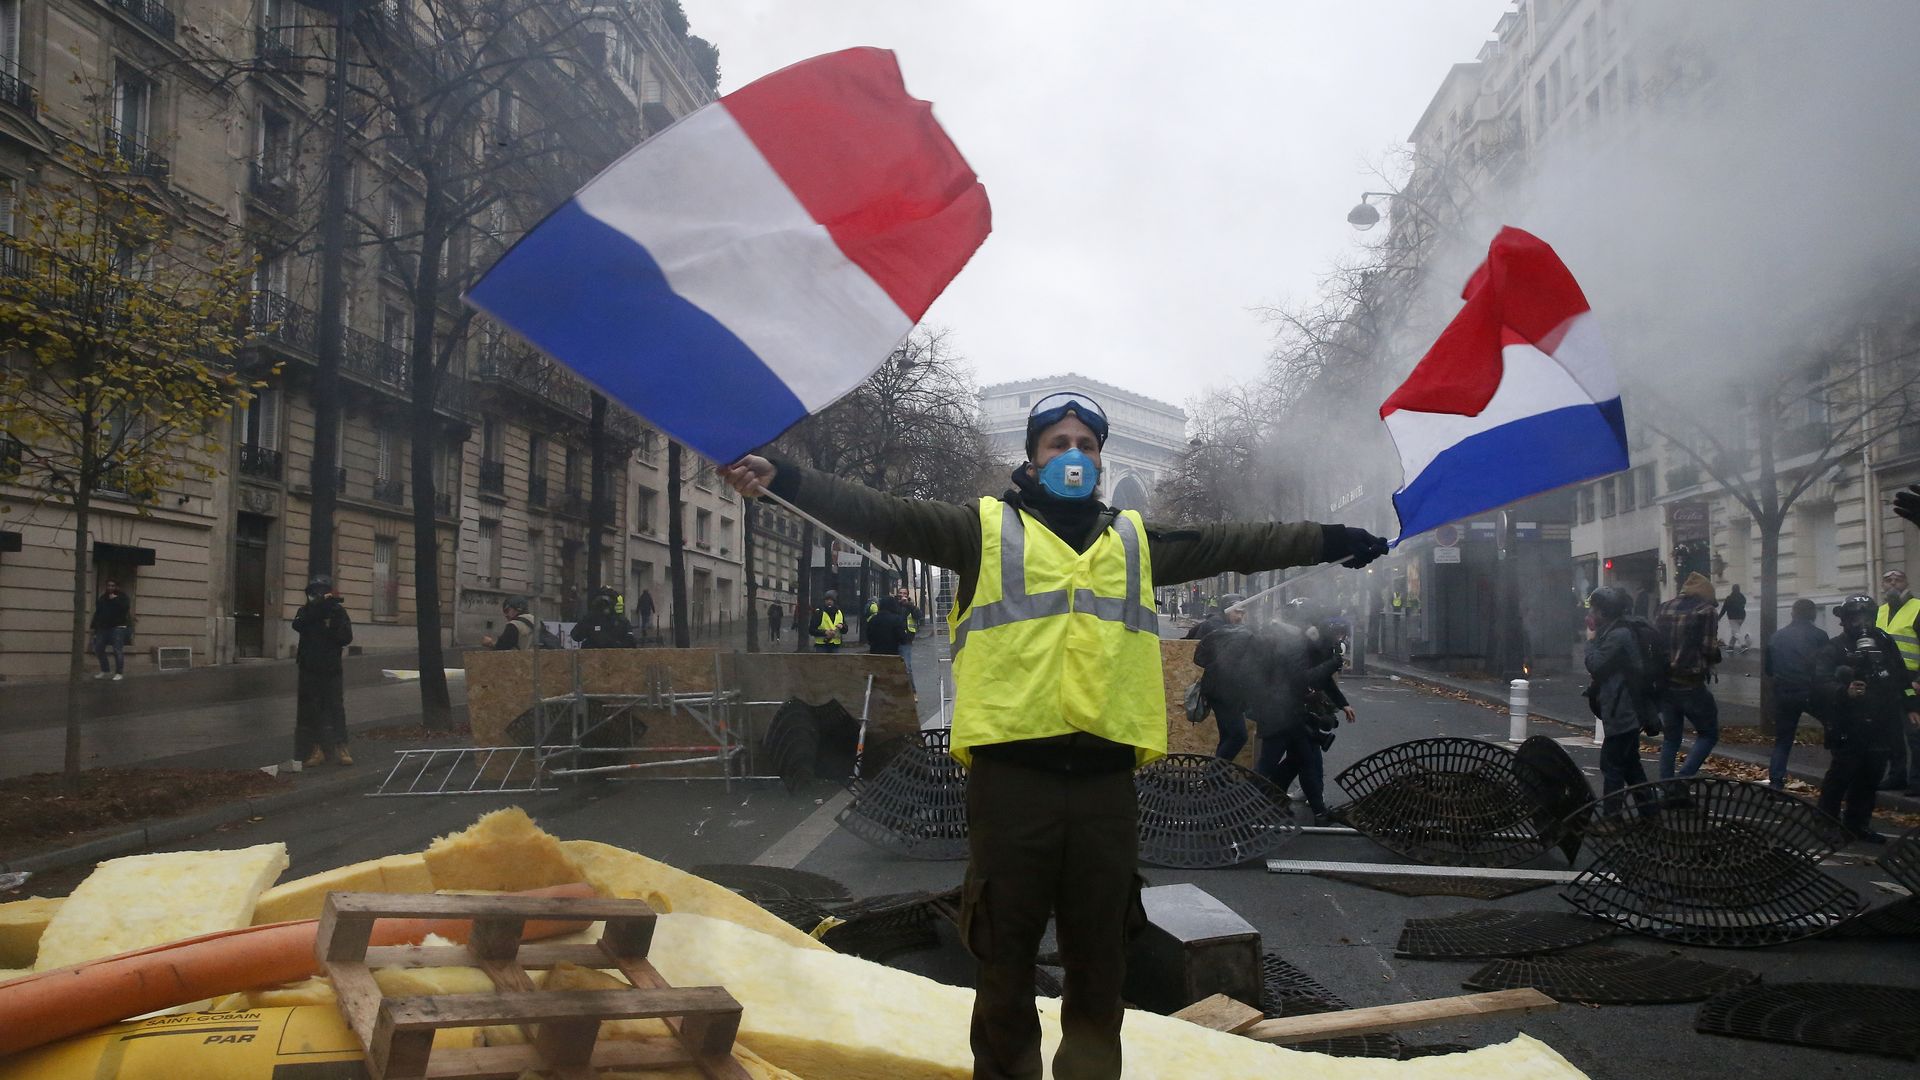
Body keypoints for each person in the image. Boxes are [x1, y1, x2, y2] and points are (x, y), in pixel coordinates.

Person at [718, 389, 1388, 1080]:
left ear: (1102, 460)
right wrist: (785, 478)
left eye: (1087, 446)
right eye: (1057, 444)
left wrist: (1335, 540)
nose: (1073, 456)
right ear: (1033, 460)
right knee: (1002, 957)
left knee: (1102, 960)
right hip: (1013, 784)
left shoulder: (1135, 541)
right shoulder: (978, 532)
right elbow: (882, 515)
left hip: (1105, 786)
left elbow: (1239, 543)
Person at [1813, 594, 1918, 843]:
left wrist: (1912, 705)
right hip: (1848, 723)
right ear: (1845, 620)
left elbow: (1901, 676)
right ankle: (1825, 823)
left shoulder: (1884, 641)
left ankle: (1857, 823)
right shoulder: (1834, 648)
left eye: (1867, 616)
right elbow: (1819, 683)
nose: (1862, 622)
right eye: (1856, 617)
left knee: (1871, 774)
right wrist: (1844, 691)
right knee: (1842, 774)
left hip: (1883, 721)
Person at [1257, 601, 1351, 825]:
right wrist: (1332, 664)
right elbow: (1302, 678)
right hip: (1279, 712)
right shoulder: (1291, 643)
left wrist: (1342, 702)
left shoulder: (1290, 639)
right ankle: (1250, 805)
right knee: (1268, 765)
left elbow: (1318, 677)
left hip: (1290, 712)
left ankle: (1317, 812)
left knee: (1304, 760)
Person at [1583, 586, 1659, 814]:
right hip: (1623, 710)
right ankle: (1650, 813)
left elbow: (1595, 665)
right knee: (1631, 766)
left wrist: (1590, 638)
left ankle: (1612, 818)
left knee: (1612, 765)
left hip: (1623, 711)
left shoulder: (1617, 635)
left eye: (1594, 610)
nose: (1592, 614)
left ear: (1604, 613)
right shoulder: (1617, 630)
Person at [1654, 571, 1722, 779]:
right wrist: (1716, 653)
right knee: (1709, 733)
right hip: (1691, 683)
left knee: (1671, 738)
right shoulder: (1706, 611)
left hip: (1665, 683)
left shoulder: (1663, 608)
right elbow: (1708, 649)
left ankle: (1666, 784)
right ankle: (1683, 779)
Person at [1765, 598, 1829, 790]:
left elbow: (1769, 668)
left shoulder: (1777, 636)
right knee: (1833, 726)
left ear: (1793, 613)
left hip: (1784, 691)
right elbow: (1825, 665)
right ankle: (1838, 774)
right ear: (1813, 614)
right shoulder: (1819, 636)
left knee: (1783, 740)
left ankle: (1776, 782)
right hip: (1810, 690)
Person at [292, 576, 354, 767]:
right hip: (311, 668)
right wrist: (317, 610)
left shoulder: (337, 611)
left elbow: (346, 637)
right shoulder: (306, 611)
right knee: (313, 709)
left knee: (336, 707)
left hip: (331, 668)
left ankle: (341, 747)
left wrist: (332, 620)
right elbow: (298, 624)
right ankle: (317, 748)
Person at [1873, 568, 1920, 793]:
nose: (1893, 583)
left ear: (1906, 583)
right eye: (1888, 580)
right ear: (1882, 586)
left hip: (1912, 681)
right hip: (1885, 681)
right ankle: (1896, 776)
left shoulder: (1917, 608)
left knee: (1915, 733)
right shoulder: (1879, 611)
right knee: (1891, 733)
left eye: (1898, 579)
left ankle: (1917, 780)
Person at [1191, 607, 1256, 760]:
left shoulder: (1235, 630)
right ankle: (1213, 775)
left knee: (1228, 735)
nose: (1240, 616)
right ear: (1227, 610)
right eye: (1237, 612)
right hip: (1224, 691)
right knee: (1238, 736)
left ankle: (1217, 777)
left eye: (1242, 613)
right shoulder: (1218, 626)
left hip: (1219, 689)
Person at [88, 578, 131, 681]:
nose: (110, 587)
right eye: (109, 585)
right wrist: (94, 627)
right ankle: (105, 670)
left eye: (113, 585)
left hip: (118, 627)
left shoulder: (122, 597)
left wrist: (115, 599)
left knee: (117, 650)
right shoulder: (103, 598)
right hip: (104, 627)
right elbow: (98, 613)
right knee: (98, 648)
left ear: (116, 587)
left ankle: (119, 672)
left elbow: (125, 609)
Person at [895, 586, 923, 688]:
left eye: (904, 594)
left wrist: (909, 605)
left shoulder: (911, 606)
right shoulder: (894, 605)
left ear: (907, 595)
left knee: (907, 666)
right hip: (894, 639)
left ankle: (912, 691)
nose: (902, 595)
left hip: (906, 640)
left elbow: (919, 615)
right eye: (900, 593)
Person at [1721, 584, 1748, 652]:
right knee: (1735, 631)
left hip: (1733, 618)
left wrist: (1719, 617)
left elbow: (1724, 608)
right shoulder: (1742, 597)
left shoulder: (1729, 598)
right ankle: (1730, 646)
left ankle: (1743, 645)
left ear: (1732, 589)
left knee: (1736, 632)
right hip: (1742, 617)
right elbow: (1744, 603)